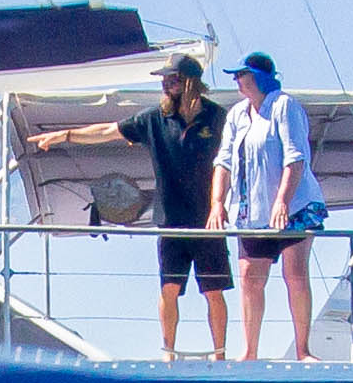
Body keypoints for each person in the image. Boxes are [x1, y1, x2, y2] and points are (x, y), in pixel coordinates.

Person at [31, 58, 232, 357]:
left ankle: (220, 353)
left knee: (213, 291)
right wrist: (65, 135)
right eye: (163, 79)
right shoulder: (153, 119)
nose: (165, 83)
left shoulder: (217, 117)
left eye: (171, 78)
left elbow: (232, 159)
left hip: (208, 220)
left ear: (189, 80)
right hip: (171, 219)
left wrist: (222, 204)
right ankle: (169, 352)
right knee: (169, 288)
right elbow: (108, 131)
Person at [216, 51, 328, 362]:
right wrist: (217, 203)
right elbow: (223, 161)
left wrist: (282, 200)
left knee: (295, 273)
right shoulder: (237, 115)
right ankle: (250, 350)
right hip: (252, 211)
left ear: (259, 76)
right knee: (250, 275)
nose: (238, 80)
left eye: (243, 74)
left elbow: (295, 157)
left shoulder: (284, 105)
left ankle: (303, 349)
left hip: (292, 206)